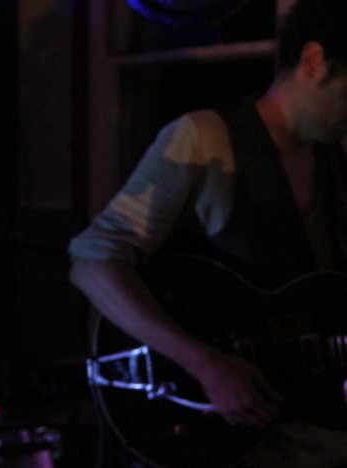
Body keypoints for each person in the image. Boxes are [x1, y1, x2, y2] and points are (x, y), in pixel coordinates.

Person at [69, 0, 347, 465]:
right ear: (314, 61)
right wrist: (205, 363)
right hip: (233, 438)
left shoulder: (333, 159)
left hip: (316, 434)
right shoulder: (204, 138)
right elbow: (92, 263)